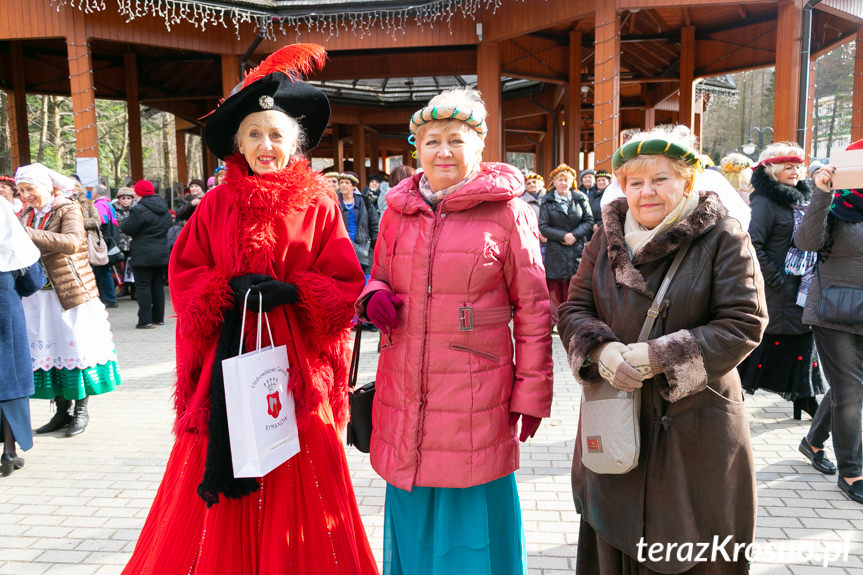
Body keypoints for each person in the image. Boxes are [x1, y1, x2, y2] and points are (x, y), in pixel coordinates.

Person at [121, 43, 378, 575]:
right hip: (228, 360)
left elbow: (344, 283)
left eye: (276, 135)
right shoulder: (214, 204)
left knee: (299, 460)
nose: (266, 145)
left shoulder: (320, 202)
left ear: (296, 143)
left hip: (297, 365)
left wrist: (297, 291)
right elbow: (185, 274)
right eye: (255, 134)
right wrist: (225, 287)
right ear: (237, 143)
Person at [355, 87, 554, 575]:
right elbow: (379, 273)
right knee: (412, 501)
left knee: (472, 515)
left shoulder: (510, 212)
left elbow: (533, 310)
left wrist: (531, 395)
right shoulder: (396, 212)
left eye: (456, 140)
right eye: (432, 140)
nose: (443, 151)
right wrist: (373, 293)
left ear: (479, 147)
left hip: (475, 390)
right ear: (416, 149)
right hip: (406, 384)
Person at [558, 126, 767, 574]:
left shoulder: (723, 235)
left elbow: (744, 321)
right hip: (616, 418)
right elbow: (574, 307)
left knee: (690, 547)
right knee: (613, 536)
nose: (646, 192)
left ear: (687, 181)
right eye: (635, 182)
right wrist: (601, 351)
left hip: (696, 426)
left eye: (661, 179)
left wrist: (659, 357)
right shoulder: (604, 237)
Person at [15, 163, 122, 438]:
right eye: (22, 190)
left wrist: (27, 234)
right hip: (38, 295)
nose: (25, 195)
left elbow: (74, 241)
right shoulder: (27, 213)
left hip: (70, 292)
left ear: (46, 187)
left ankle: (81, 410)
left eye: (30, 189)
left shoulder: (67, 207)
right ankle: (61, 411)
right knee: (49, 352)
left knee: (75, 349)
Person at [795, 145, 863, 505]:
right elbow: (807, 242)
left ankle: (812, 441)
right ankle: (852, 471)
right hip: (834, 310)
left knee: (849, 389)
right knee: (851, 392)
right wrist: (822, 193)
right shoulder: (838, 204)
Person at [739, 142, 824, 419]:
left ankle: (805, 397)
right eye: (788, 166)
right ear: (773, 170)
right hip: (779, 287)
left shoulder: (800, 197)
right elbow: (754, 244)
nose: (795, 171)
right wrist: (776, 279)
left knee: (802, 340)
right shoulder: (765, 201)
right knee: (768, 341)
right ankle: (734, 393)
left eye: (798, 166)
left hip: (802, 285)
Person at [0, 199, 45, 476]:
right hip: (5, 313)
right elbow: (33, 282)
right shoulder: (11, 241)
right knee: (9, 378)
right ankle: (9, 449)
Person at [539, 163, 593, 330]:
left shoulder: (580, 198)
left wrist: (574, 235)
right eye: (560, 180)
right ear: (553, 182)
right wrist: (562, 236)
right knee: (556, 285)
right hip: (556, 248)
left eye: (567, 180)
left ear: (572, 182)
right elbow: (543, 226)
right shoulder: (547, 201)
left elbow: (589, 220)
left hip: (576, 248)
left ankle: (574, 319)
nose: (563, 183)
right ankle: (556, 320)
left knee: (575, 284)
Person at [120, 179, 172, 329]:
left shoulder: (139, 209)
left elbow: (128, 227)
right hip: (161, 251)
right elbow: (168, 224)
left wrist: (124, 224)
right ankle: (158, 318)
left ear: (139, 193)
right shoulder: (163, 207)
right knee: (157, 285)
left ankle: (145, 320)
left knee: (143, 285)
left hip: (143, 252)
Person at [337, 171, 378, 276]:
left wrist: (375, 246)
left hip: (364, 247)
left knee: (366, 278)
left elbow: (374, 226)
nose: (343, 185)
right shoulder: (334, 202)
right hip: (341, 246)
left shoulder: (365, 202)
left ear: (354, 186)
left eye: (347, 183)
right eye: (341, 182)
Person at [90, 184, 119, 308]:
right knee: (105, 271)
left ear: (96, 193)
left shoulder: (99, 205)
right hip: (111, 240)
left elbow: (102, 222)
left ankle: (108, 299)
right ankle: (109, 298)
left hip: (103, 241)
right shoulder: (109, 204)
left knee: (102, 271)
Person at [112, 187, 136, 298]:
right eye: (123, 198)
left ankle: (134, 290)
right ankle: (124, 288)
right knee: (121, 267)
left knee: (132, 267)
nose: (126, 200)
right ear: (119, 199)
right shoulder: (114, 209)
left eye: (128, 198)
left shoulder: (136, 209)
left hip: (133, 242)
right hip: (120, 242)